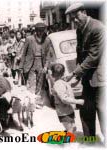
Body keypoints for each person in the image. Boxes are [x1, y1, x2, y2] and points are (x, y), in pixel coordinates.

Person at [65, 3, 106, 141]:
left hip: (101, 80)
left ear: (84, 12)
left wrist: (74, 73)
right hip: (87, 79)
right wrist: (78, 75)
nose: (75, 21)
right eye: (72, 19)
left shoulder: (98, 28)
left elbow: (93, 57)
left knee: (103, 111)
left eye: (76, 17)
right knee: (86, 112)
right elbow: (80, 54)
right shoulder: (80, 30)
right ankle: (90, 142)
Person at [19, 23, 48, 108]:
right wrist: (21, 66)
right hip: (30, 64)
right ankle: (31, 103)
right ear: (35, 30)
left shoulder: (47, 40)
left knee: (40, 84)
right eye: (38, 31)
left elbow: (48, 55)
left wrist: (46, 66)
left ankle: (38, 102)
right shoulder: (29, 39)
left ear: (44, 31)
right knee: (31, 83)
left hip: (41, 64)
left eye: (42, 31)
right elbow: (23, 53)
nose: (40, 33)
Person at [50, 63, 84, 132]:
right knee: (70, 129)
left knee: (72, 128)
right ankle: (67, 142)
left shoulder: (62, 82)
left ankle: (65, 139)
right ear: (63, 73)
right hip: (64, 112)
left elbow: (70, 85)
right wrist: (78, 101)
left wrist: (78, 79)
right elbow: (64, 99)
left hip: (68, 110)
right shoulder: (58, 84)